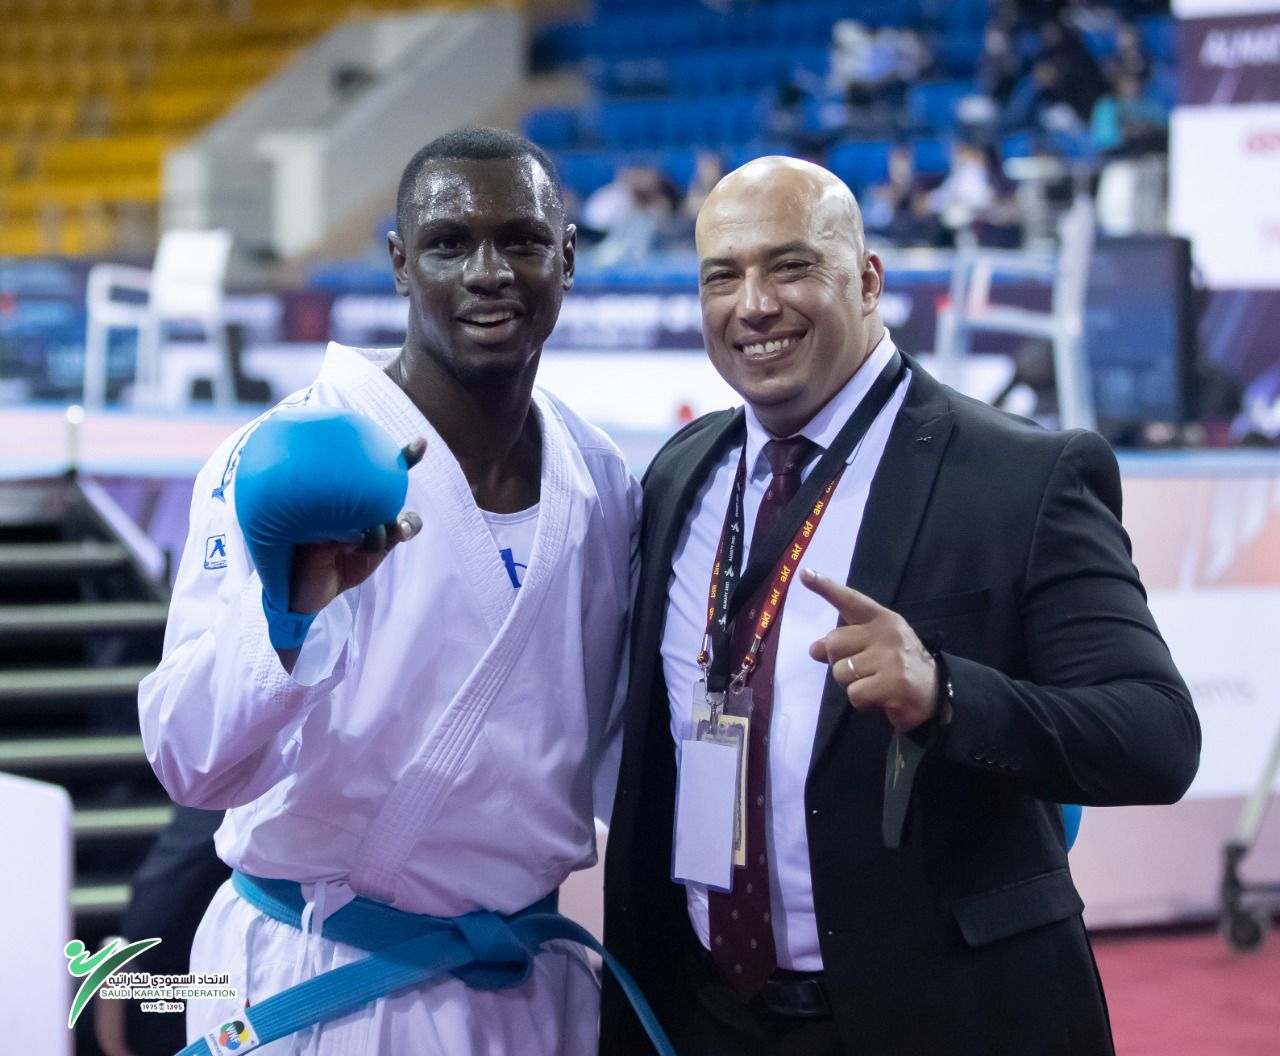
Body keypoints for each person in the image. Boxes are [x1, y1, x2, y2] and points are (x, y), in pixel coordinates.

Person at [602, 155, 1199, 1056]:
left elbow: (1157, 738)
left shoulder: (1021, 476)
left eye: (790, 264)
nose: (753, 304)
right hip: (709, 1015)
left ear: (869, 279)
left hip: (944, 1015)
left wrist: (949, 693)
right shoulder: (683, 472)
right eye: (722, 276)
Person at [139, 127, 640, 1054]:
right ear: (402, 265)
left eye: (521, 241)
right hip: (319, 975)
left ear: (566, 259)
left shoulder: (602, 485)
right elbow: (188, 764)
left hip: (524, 993)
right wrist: (285, 619)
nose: (488, 272)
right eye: (450, 245)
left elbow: (612, 757)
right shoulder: (281, 461)